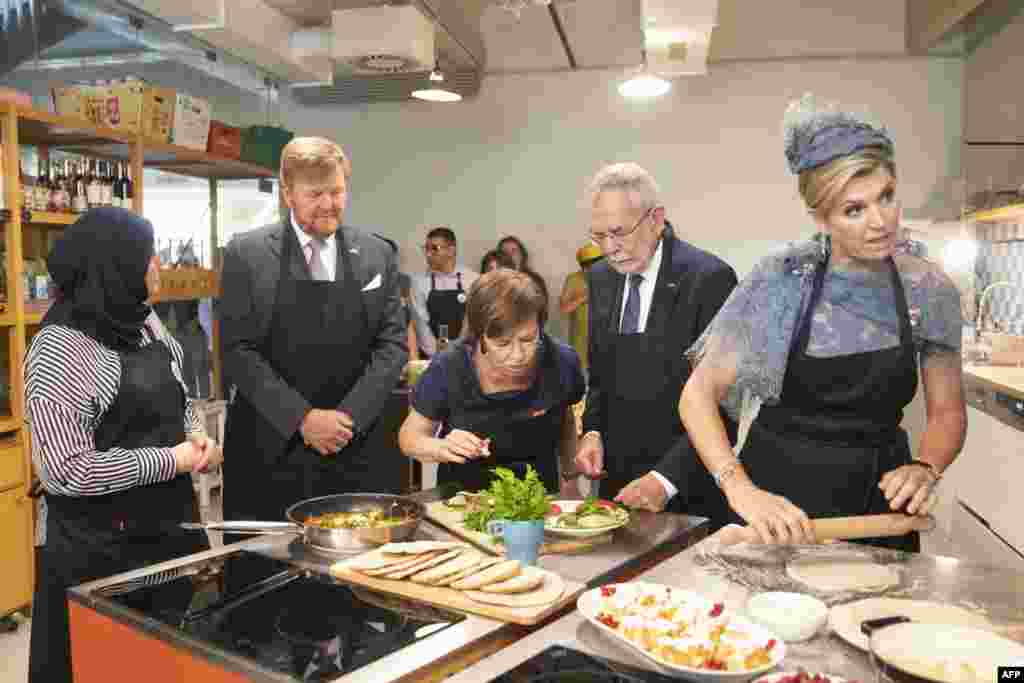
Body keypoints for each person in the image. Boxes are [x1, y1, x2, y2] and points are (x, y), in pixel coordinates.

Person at [679, 94, 966, 550]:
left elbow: (948, 411)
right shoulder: (783, 279)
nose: (880, 221)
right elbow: (698, 395)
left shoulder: (927, 288)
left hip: (877, 514)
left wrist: (927, 466)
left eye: (886, 197)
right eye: (854, 209)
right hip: (775, 508)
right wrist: (740, 489)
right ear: (821, 217)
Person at [26, 208, 221, 683]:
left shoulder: (144, 321)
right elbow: (65, 470)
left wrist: (194, 432)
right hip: (99, 554)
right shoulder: (60, 352)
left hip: (168, 534)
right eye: (146, 256)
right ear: (113, 268)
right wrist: (170, 459)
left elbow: (178, 394)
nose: (157, 265)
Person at [218, 136, 408, 524]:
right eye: (315, 193)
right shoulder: (246, 254)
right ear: (288, 193)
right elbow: (237, 350)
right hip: (272, 446)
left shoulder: (377, 253)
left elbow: (392, 346)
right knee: (269, 573)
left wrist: (347, 420)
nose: (328, 204)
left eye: (337, 191)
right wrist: (302, 419)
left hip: (359, 444)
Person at [573, 163, 738, 515]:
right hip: (618, 480)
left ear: (656, 219)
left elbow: (725, 403)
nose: (610, 248)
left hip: (687, 480)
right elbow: (601, 373)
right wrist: (593, 432)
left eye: (619, 232)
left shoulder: (708, 279)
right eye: (598, 236)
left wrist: (665, 480)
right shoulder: (601, 277)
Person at [399, 269, 586, 496]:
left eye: (528, 340)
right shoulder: (450, 366)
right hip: (463, 499)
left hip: (539, 495)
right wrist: (441, 447)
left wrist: (571, 479)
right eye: (503, 344)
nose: (517, 355)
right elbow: (410, 438)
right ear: (480, 336)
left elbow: (564, 417)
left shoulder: (561, 360)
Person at [410, 227, 479, 357]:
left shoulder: (472, 280)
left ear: (451, 250)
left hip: (467, 354)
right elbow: (420, 325)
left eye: (434, 249)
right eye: (426, 249)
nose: (428, 254)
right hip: (432, 356)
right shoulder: (419, 283)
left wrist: (457, 348)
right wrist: (436, 353)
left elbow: (473, 320)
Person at [559, 242, 603, 373]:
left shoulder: (612, 278)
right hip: (581, 347)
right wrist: (584, 297)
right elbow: (564, 309)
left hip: (605, 348)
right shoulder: (573, 279)